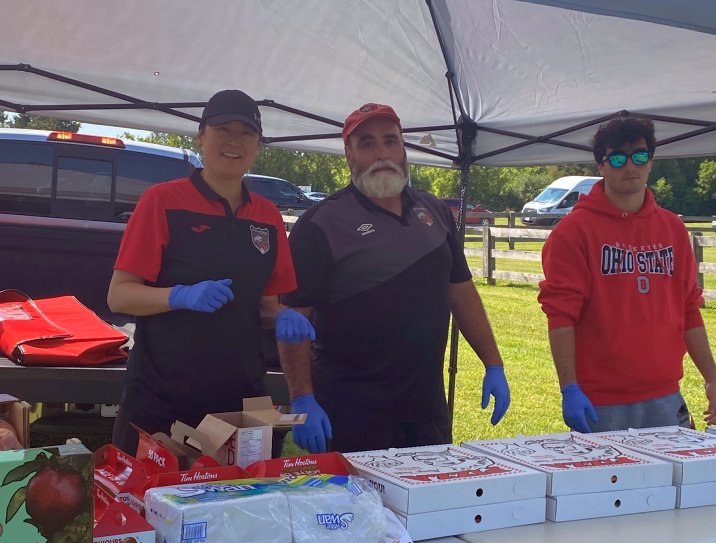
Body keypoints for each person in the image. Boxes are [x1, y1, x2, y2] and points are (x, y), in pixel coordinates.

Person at [278, 102, 511, 454]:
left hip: (425, 407)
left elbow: (461, 292)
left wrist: (493, 363)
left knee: (427, 504)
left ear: (403, 147)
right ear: (349, 154)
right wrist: (302, 398)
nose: (382, 152)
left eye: (390, 140)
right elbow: (295, 318)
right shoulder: (321, 223)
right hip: (351, 411)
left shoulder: (435, 211)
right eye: (367, 143)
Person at [107, 89, 314, 456]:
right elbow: (120, 294)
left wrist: (281, 316)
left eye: (246, 133)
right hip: (162, 403)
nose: (234, 140)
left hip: (240, 403)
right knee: (147, 509)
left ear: (257, 145)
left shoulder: (267, 217)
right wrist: (180, 295)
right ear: (201, 136)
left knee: (237, 508)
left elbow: (265, 304)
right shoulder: (162, 201)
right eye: (223, 129)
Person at [538, 117, 716, 434]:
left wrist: (711, 378)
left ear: (651, 162)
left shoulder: (673, 229)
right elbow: (560, 316)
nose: (630, 166)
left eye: (639, 156)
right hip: (600, 400)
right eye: (617, 158)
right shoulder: (574, 232)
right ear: (601, 165)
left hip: (665, 395)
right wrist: (569, 387)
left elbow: (689, 309)